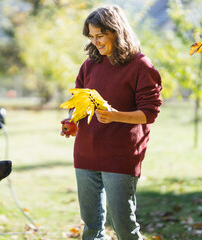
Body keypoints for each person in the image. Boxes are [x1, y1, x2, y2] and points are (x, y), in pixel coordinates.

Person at [61, 5, 162, 240]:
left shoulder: (140, 65)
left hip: (121, 154)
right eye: (91, 36)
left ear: (116, 31)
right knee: (92, 227)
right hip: (86, 152)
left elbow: (150, 113)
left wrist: (115, 115)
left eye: (100, 35)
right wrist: (71, 120)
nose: (95, 42)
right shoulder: (89, 65)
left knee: (124, 226)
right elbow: (78, 101)